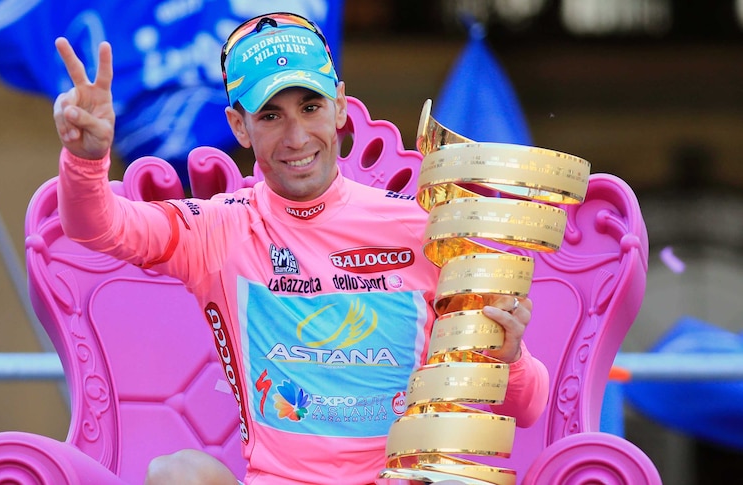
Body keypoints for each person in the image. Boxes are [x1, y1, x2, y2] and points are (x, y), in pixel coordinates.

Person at [52, 11, 549, 485]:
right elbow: (99, 228)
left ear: (339, 106)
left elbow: (528, 405)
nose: (295, 137)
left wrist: (509, 356)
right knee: (174, 475)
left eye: (309, 107)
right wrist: (85, 159)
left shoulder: (423, 226)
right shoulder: (220, 228)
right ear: (239, 127)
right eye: (271, 115)